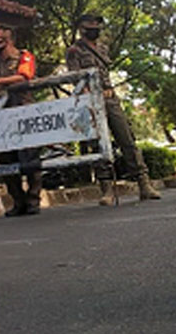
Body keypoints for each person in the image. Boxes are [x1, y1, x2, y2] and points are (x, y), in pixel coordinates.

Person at [65, 12, 161, 205]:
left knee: (127, 139)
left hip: (110, 97)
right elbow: (75, 77)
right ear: (82, 29)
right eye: (90, 28)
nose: (95, 31)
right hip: (91, 101)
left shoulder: (102, 48)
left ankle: (144, 184)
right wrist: (88, 98)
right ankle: (106, 189)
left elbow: (105, 72)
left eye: (97, 28)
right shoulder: (74, 50)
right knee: (100, 144)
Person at [0, 25, 42, 216]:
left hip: (23, 112)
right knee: (6, 160)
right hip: (1, 116)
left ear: (9, 40)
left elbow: (24, 76)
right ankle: (18, 201)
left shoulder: (24, 56)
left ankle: (33, 200)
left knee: (30, 157)